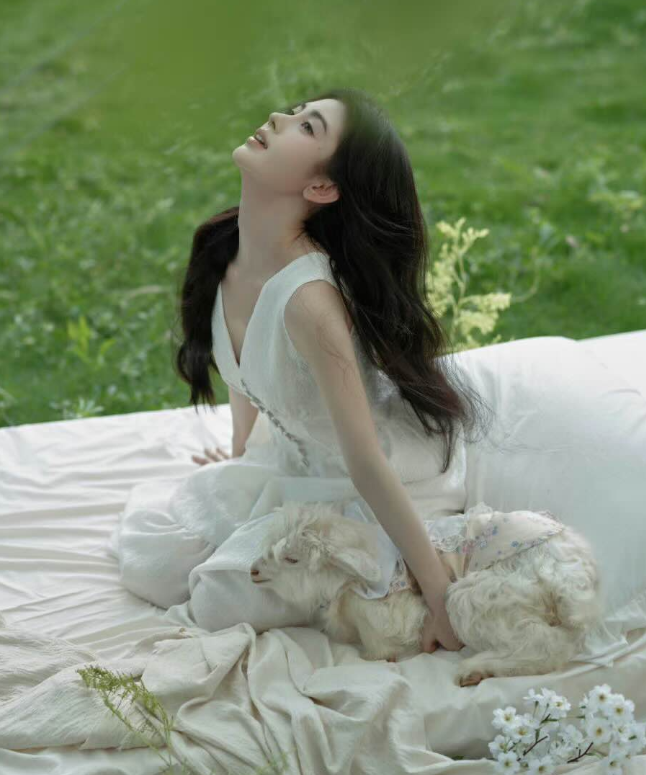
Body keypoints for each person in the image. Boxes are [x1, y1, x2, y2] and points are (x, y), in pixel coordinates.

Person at [110, 87, 494, 655]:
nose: (277, 117)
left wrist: (441, 597)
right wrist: (241, 453)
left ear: (322, 188)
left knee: (215, 598)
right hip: (301, 461)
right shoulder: (228, 254)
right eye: (295, 113)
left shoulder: (309, 302)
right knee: (155, 556)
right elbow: (247, 370)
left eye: (307, 126)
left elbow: (365, 461)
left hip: (377, 478)